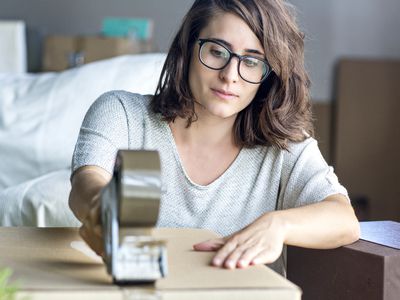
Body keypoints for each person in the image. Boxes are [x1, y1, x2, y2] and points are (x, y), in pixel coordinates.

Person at [69, 0, 359, 276]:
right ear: (188, 48)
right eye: (217, 51)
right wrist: (102, 207)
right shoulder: (123, 114)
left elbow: (344, 220)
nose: (230, 75)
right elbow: (87, 181)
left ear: (269, 73)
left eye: (251, 61)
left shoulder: (285, 148)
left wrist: (277, 225)